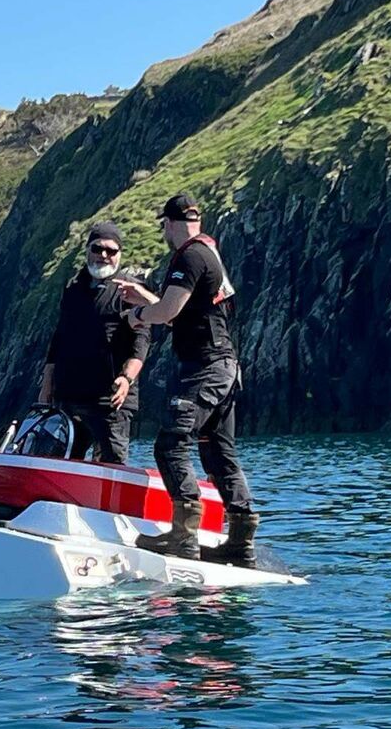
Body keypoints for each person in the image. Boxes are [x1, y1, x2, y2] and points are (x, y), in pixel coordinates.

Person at [115, 193, 258, 566]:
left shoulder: (191, 256)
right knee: (217, 451)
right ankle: (241, 542)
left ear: (170, 223)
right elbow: (185, 312)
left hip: (205, 369)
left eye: (163, 225)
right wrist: (148, 298)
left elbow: (168, 311)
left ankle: (184, 537)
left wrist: (137, 316)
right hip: (225, 368)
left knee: (171, 444)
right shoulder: (209, 254)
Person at [38, 222, 150, 464]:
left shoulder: (129, 289)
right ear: (87, 250)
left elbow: (141, 342)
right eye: (97, 248)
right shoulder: (73, 288)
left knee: (110, 466)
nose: (104, 255)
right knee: (56, 464)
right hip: (68, 397)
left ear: (120, 254)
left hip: (109, 400)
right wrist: (47, 383)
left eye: (111, 251)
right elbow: (59, 338)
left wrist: (127, 378)